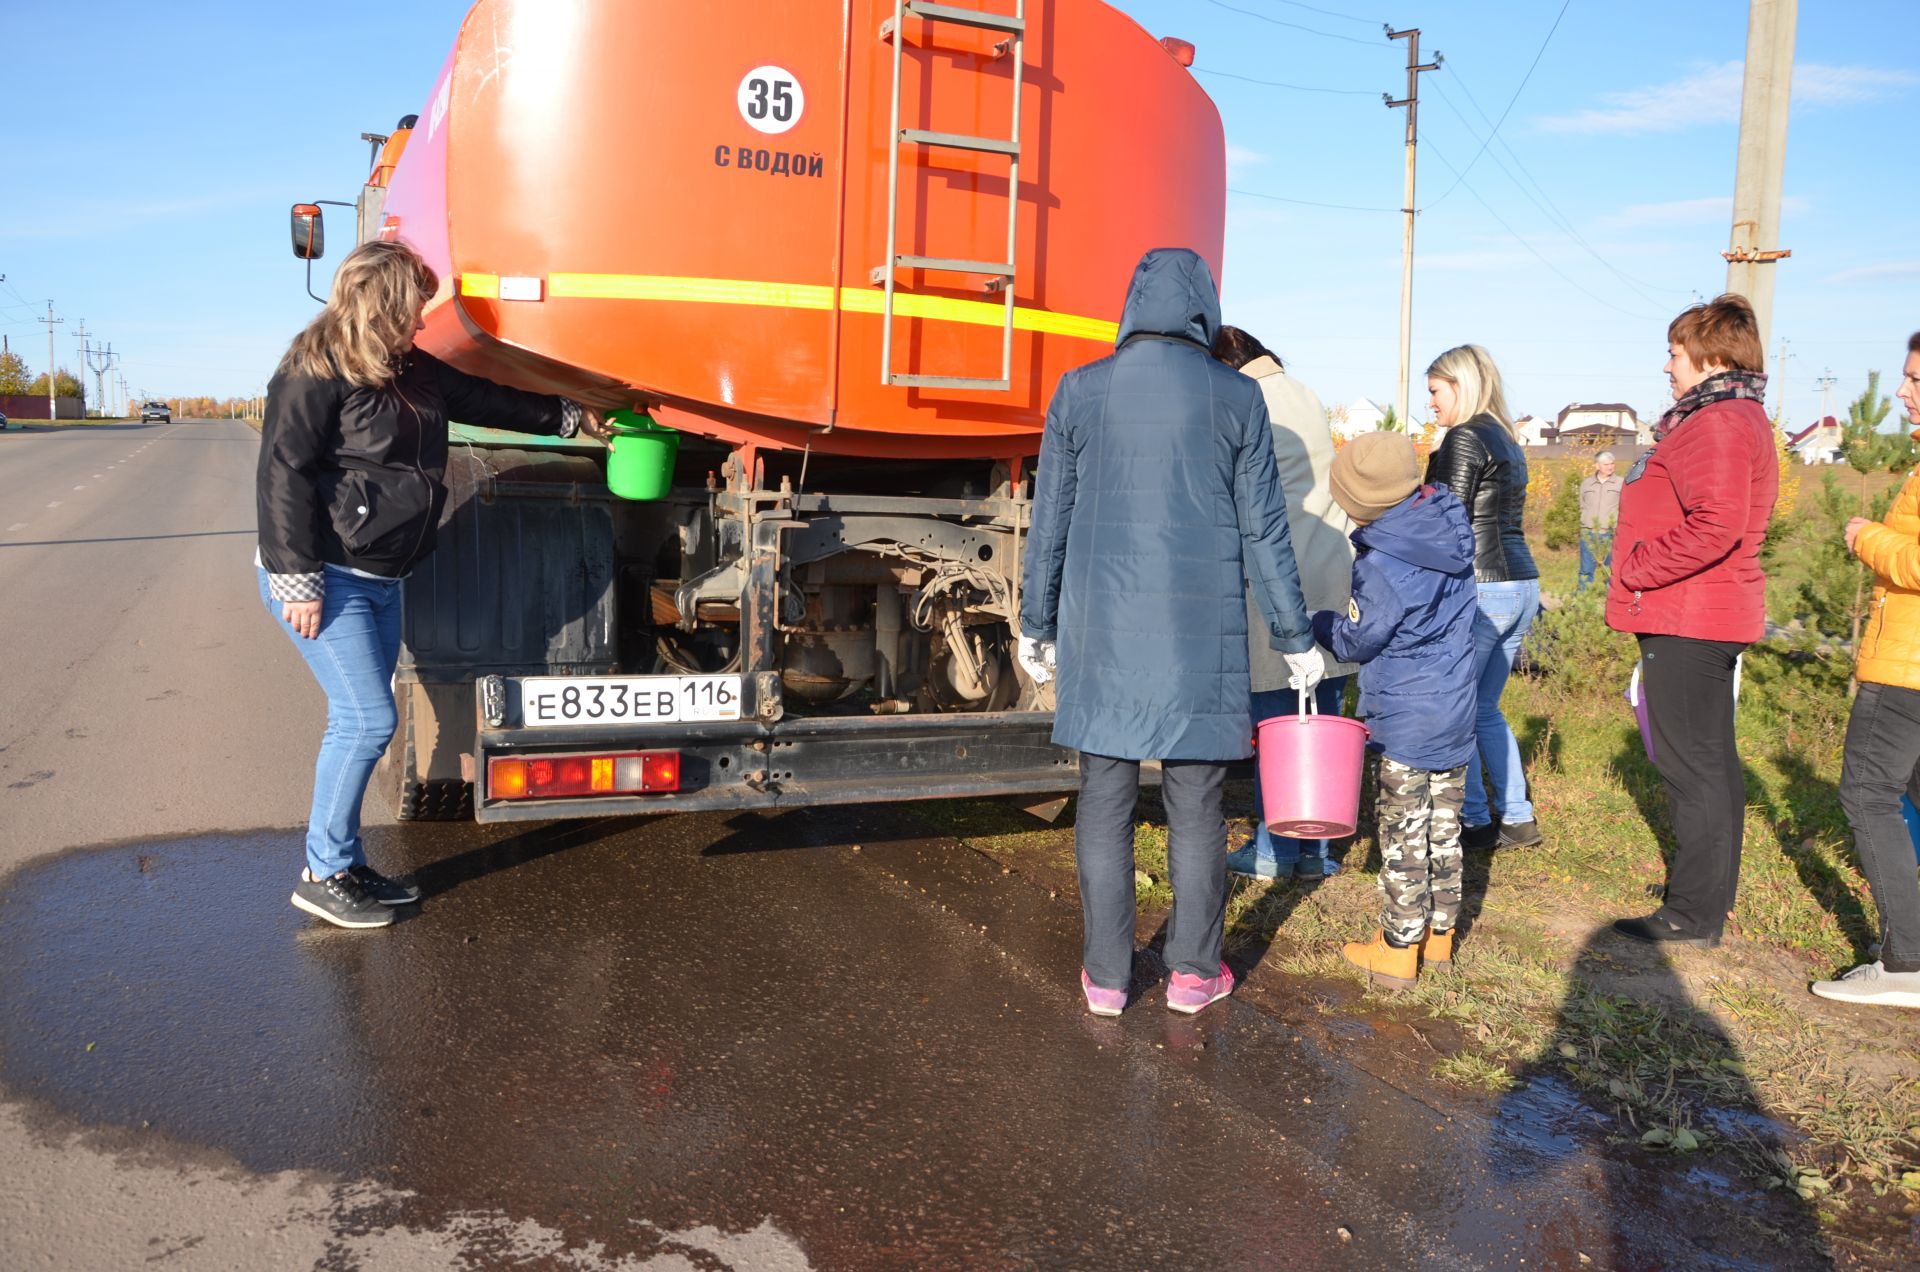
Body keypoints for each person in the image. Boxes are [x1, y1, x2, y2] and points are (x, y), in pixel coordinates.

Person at [257, 239, 604, 930]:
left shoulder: (411, 367)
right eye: (414, 308)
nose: (422, 323)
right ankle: (322, 872)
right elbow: (281, 475)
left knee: (357, 719)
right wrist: (296, 578)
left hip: (384, 577)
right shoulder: (311, 369)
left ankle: (342, 861)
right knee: (367, 719)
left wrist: (570, 415)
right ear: (383, 303)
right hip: (327, 574)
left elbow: (487, 399)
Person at [1018, 248, 1320, 1018]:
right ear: (1203, 309)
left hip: (1104, 636)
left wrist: (1036, 621)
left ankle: (1109, 980)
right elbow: (1266, 533)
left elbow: (1047, 519)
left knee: (1106, 803)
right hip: (1199, 644)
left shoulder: (1079, 391)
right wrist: (1294, 636)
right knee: (1195, 808)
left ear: (1132, 304)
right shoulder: (1238, 398)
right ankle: (1192, 973)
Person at [1605, 294, 1777, 948]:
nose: (1668, 365)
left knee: (1692, 768)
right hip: (1703, 611)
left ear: (1711, 357)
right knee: (1709, 764)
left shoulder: (1718, 423)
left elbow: (1718, 523)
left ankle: (1690, 915)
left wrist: (1639, 568)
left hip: (1691, 616)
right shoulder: (1731, 416)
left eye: (1676, 352)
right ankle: (1704, 902)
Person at [1310, 432, 1477, 989]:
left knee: (1404, 833)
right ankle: (1440, 937)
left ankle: (1398, 949)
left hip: (1406, 718)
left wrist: (1323, 623)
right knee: (1444, 829)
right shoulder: (1447, 526)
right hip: (1455, 707)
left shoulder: (1382, 563)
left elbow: (1361, 640)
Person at [1211, 324, 1357, 881]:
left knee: (1278, 721)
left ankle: (1274, 851)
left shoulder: (1247, 400)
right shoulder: (1302, 391)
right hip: (1331, 569)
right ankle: (1318, 851)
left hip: (1284, 574)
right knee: (1322, 713)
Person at [1812, 330, 1920, 1008]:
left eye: (1916, 380)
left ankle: (1906, 965)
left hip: (1906, 662)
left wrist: (1865, 537)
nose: (1904, 392)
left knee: (1866, 794)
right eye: (1906, 379)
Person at [1424, 345, 1542, 850]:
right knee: (1484, 708)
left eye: (1434, 391)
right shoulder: (1506, 437)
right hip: (1521, 585)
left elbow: (1444, 521)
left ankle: (1472, 818)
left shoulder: (1466, 435)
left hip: (1481, 588)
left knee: (1454, 708)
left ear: (1459, 384)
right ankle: (1516, 816)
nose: (1430, 402)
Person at [1577, 451, 1622, 592]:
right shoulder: (1587, 484)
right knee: (1585, 570)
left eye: (1612, 463)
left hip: (1611, 533)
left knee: (1611, 571)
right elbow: (1582, 504)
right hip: (1589, 533)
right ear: (1597, 466)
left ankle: (1610, 601)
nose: (1610, 467)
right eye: (1606, 464)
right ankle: (1582, 601)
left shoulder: (1621, 483)